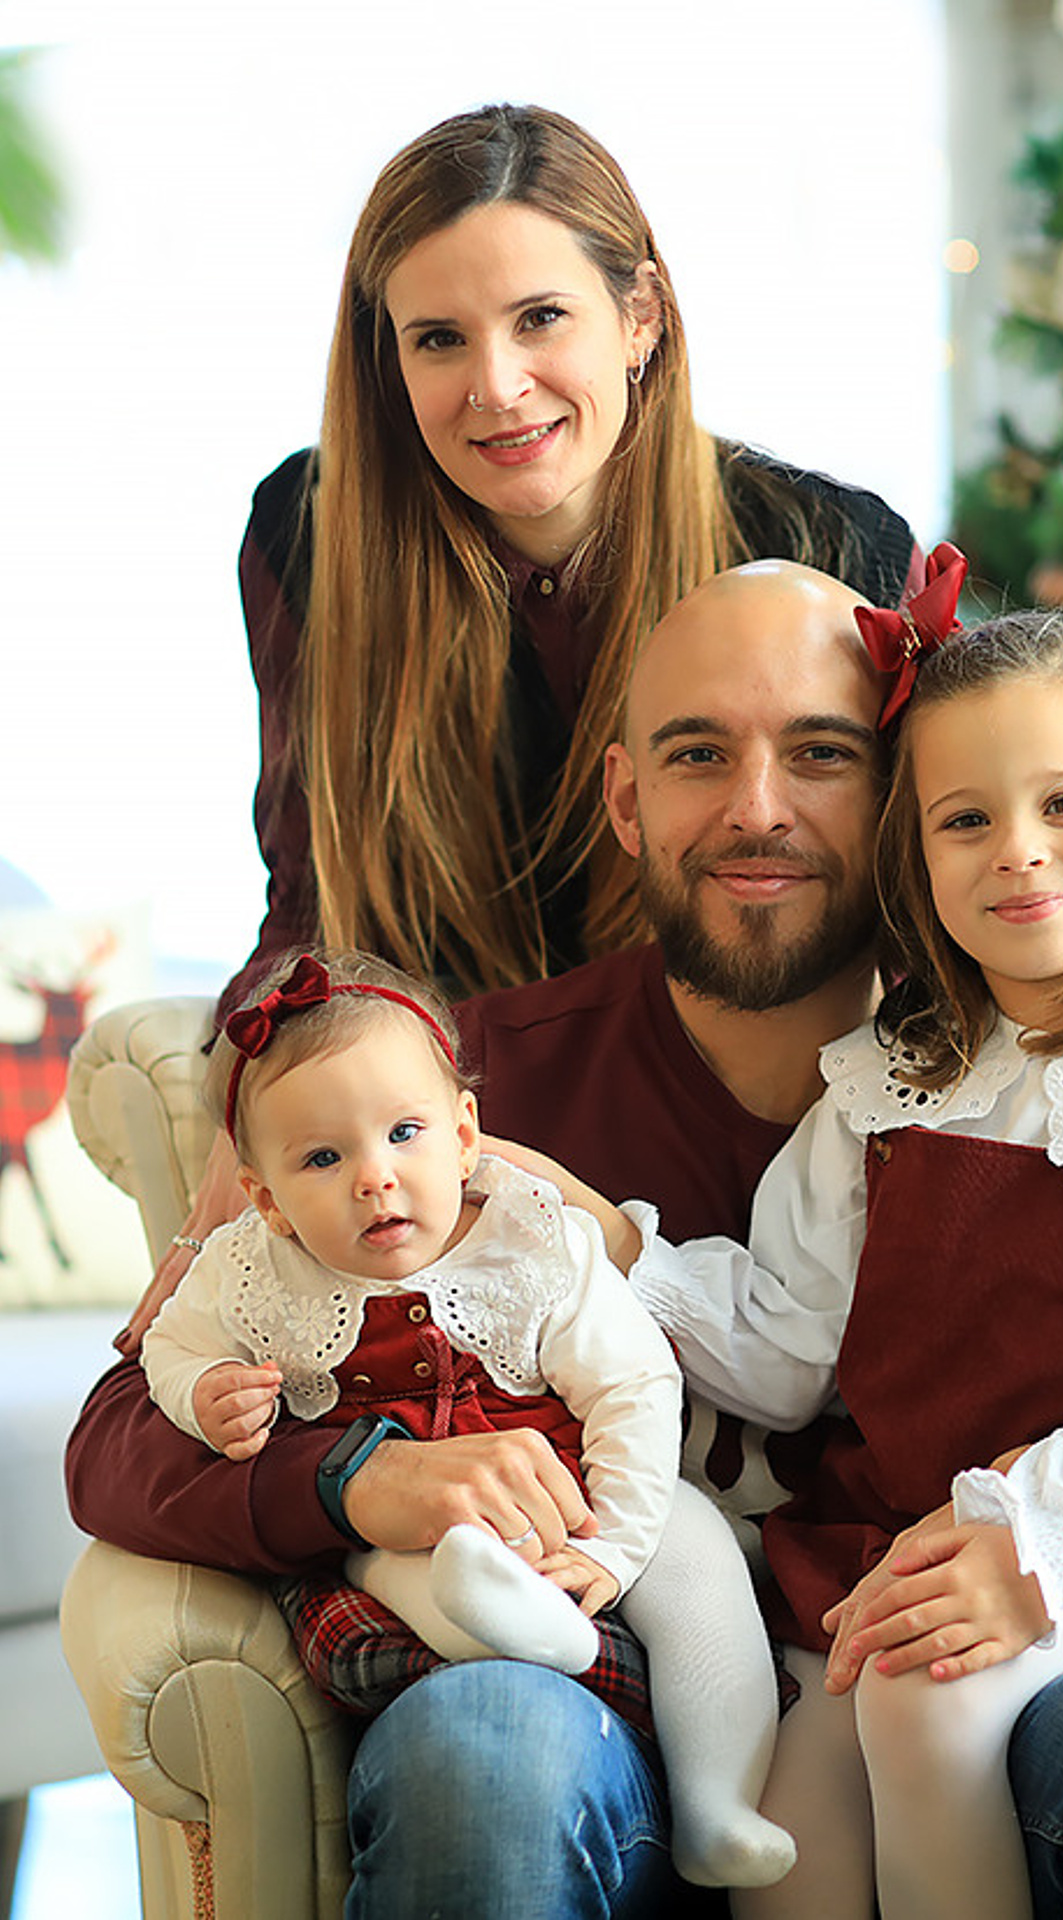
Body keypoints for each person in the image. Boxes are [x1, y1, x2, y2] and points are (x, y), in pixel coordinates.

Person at [66, 563, 1063, 1915]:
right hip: (661, 1672)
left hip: (1015, 1599)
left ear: (882, 801)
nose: (758, 807)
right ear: (627, 799)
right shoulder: (430, 1104)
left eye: (820, 753)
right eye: (701, 754)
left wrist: (1049, 1540)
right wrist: (355, 1479)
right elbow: (122, 1438)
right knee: (538, 1758)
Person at [141, 99, 916, 1323]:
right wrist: (259, 1086)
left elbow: (896, 892)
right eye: (438, 339)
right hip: (451, 1140)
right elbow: (310, 894)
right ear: (387, 363)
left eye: (540, 318)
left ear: (639, 317)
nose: (496, 388)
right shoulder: (307, 532)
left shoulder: (821, 544)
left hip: (743, 1131)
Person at [615, 598, 1063, 1917]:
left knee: (922, 1694)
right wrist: (607, 1253)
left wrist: (1029, 1542)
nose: (1019, 854)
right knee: (790, 1817)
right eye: (965, 819)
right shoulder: (885, 1085)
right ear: (913, 860)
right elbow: (790, 1350)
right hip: (898, 1544)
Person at [141, 946, 794, 1890]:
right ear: (265, 1200)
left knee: (702, 1572)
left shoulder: (535, 1243)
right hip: (408, 1528)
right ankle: (515, 1625)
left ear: (465, 1133)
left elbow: (636, 1387)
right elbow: (169, 1345)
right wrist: (207, 1395)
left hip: (580, 1489)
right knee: (398, 1571)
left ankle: (718, 1801)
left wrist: (617, 1541)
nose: (375, 1177)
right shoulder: (252, 1271)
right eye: (323, 1158)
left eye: (404, 1132)